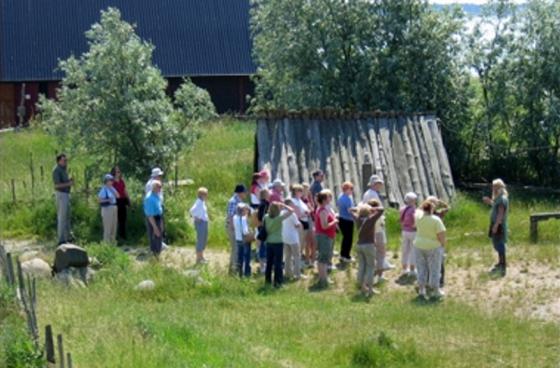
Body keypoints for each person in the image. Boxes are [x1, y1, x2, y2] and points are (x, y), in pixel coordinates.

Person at [414, 200, 447, 299]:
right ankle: (435, 290)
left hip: (419, 245)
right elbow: (441, 235)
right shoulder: (436, 220)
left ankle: (421, 289)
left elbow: (418, 209)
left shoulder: (418, 217)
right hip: (433, 246)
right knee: (435, 269)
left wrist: (425, 203)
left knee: (421, 268)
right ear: (432, 209)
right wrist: (443, 245)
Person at [350, 202, 384, 297]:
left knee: (362, 266)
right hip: (369, 245)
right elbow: (381, 210)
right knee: (370, 267)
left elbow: (350, 210)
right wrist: (373, 209)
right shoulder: (370, 220)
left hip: (359, 245)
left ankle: (362, 288)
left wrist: (357, 209)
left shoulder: (357, 219)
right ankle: (370, 289)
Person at [263, 201, 294, 287]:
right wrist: (284, 205)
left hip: (269, 241)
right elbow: (292, 211)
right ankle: (278, 282)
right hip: (278, 242)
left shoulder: (266, 217)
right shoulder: (279, 218)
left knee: (269, 262)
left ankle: (268, 281)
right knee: (278, 263)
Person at [483, 179, 509, 276]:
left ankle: (503, 265)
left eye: (496, 186)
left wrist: (496, 225)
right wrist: (490, 202)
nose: (494, 189)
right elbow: (495, 206)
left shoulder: (502, 199)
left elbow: (500, 214)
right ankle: (500, 262)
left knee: (499, 244)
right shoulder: (499, 198)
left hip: (499, 225)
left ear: (500, 187)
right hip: (496, 223)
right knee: (496, 243)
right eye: (493, 186)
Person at [314, 190, 338, 288]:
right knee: (323, 258)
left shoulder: (323, 209)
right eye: (328, 197)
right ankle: (323, 279)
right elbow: (324, 226)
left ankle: (323, 278)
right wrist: (335, 221)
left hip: (326, 236)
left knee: (324, 258)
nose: (330, 199)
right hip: (324, 236)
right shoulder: (323, 210)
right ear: (324, 199)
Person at [426, 195, 450, 287]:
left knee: (432, 261)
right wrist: (440, 202)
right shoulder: (438, 213)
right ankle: (439, 281)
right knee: (438, 261)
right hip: (437, 239)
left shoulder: (426, 215)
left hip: (431, 239)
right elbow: (448, 207)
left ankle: (434, 280)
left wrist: (439, 202)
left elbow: (448, 208)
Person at [52, 153, 73, 244]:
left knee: (67, 216)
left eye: (66, 160)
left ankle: (68, 236)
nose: (66, 162)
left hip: (66, 194)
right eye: (64, 160)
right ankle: (61, 239)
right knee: (62, 217)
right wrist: (69, 184)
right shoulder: (56, 170)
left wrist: (70, 180)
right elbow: (57, 185)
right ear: (59, 161)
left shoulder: (64, 169)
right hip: (61, 194)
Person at [226, 184, 248, 273]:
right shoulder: (233, 201)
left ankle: (232, 269)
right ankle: (233, 270)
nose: (246, 194)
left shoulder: (238, 200)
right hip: (233, 228)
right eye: (244, 192)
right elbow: (231, 216)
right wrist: (234, 228)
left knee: (235, 248)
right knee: (235, 249)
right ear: (241, 192)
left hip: (235, 227)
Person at [291, 184, 313, 267]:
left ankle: (299, 261)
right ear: (295, 192)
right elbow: (297, 215)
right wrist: (306, 213)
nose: (302, 192)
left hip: (305, 222)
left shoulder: (300, 200)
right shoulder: (293, 201)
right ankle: (296, 263)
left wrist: (308, 212)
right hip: (300, 223)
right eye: (300, 191)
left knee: (302, 243)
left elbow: (309, 209)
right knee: (299, 243)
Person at [282, 199, 302, 280]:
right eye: (292, 204)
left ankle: (287, 273)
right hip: (293, 237)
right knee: (296, 256)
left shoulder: (282, 213)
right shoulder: (292, 214)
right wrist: (300, 224)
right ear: (289, 205)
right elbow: (297, 225)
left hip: (284, 237)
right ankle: (297, 274)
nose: (293, 205)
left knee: (287, 256)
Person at [400, 192, 418, 277]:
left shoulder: (402, 208)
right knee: (413, 251)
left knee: (405, 250)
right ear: (412, 200)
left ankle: (404, 269)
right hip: (413, 231)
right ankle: (412, 269)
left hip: (404, 231)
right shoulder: (414, 210)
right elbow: (415, 222)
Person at [337, 181, 355, 264]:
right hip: (347, 220)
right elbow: (349, 210)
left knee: (345, 238)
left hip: (341, 219)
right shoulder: (347, 198)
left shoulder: (340, 196)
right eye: (351, 189)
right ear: (347, 189)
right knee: (348, 239)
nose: (352, 190)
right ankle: (346, 256)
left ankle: (342, 254)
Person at [144, 181, 164, 257]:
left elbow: (159, 209)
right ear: (154, 187)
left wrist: (161, 222)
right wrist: (155, 227)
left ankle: (158, 253)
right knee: (154, 236)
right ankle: (154, 254)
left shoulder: (156, 195)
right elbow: (150, 215)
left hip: (158, 217)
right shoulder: (149, 198)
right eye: (159, 187)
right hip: (152, 219)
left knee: (159, 236)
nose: (160, 189)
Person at [98, 174, 119, 244]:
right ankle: (106, 244)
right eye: (110, 180)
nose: (111, 182)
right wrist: (107, 200)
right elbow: (99, 200)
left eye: (112, 180)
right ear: (106, 181)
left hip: (114, 207)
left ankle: (112, 243)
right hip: (107, 209)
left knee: (114, 226)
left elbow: (118, 196)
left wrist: (111, 189)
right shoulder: (103, 190)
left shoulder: (112, 188)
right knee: (107, 227)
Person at [190, 187, 209, 264]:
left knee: (204, 239)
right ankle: (198, 258)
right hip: (200, 223)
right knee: (200, 240)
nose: (207, 196)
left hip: (204, 222)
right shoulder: (198, 202)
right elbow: (191, 211)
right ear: (202, 195)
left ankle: (201, 257)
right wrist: (196, 218)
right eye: (206, 194)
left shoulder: (202, 202)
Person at [233, 203, 253, 277]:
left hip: (238, 239)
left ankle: (239, 272)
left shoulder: (235, 217)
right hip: (245, 240)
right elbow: (245, 231)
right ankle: (247, 273)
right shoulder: (244, 218)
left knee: (240, 256)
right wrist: (251, 234)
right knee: (247, 257)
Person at [111, 166, 129, 241]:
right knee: (116, 219)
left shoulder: (121, 181)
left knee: (123, 219)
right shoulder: (112, 182)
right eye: (116, 171)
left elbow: (125, 191)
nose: (118, 173)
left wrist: (128, 200)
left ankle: (123, 236)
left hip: (123, 200)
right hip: (115, 201)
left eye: (119, 171)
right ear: (113, 172)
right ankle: (115, 236)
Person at [256, 189, 271, 274]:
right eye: (268, 193)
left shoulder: (260, 203)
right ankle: (263, 266)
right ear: (265, 194)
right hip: (264, 227)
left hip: (261, 227)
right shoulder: (266, 204)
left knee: (263, 246)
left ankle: (263, 265)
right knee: (264, 246)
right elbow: (263, 217)